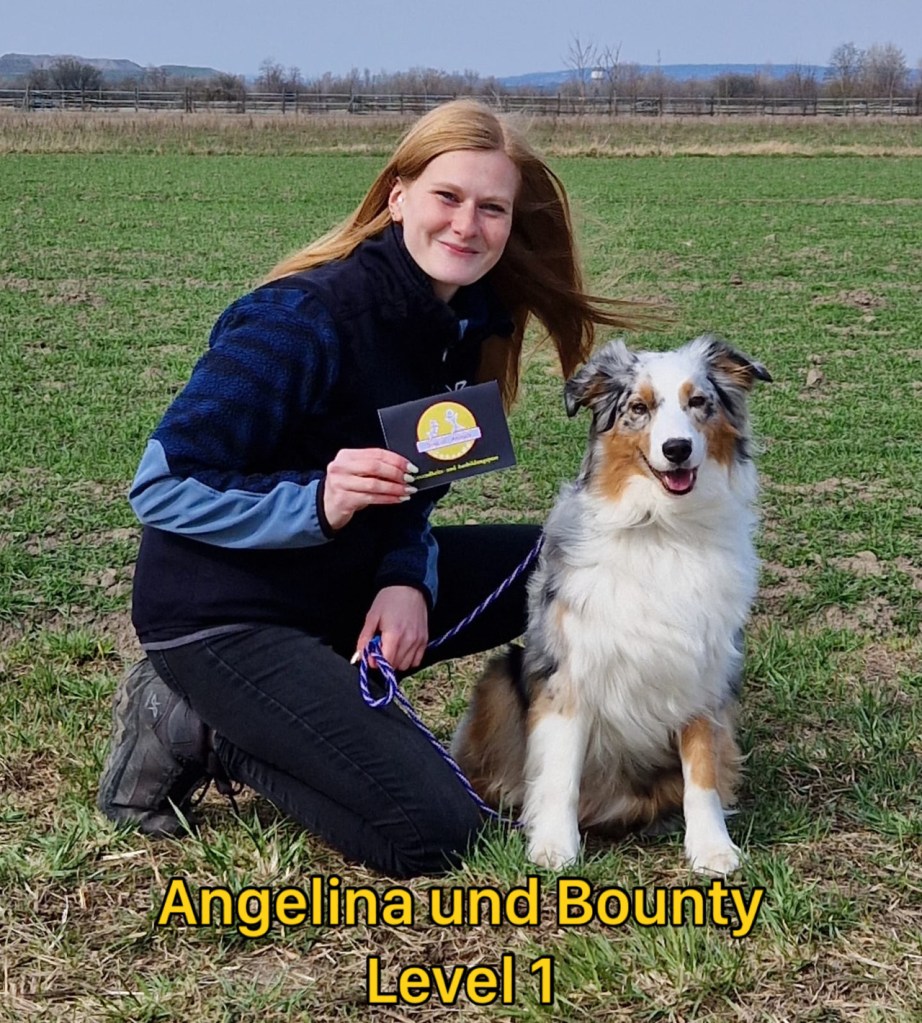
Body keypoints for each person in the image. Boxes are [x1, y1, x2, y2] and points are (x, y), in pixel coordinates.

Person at [97, 99, 648, 878]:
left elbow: (413, 495)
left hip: (337, 582)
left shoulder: (464, 326)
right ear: (398, 197)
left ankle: (610, 743)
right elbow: (161, 483)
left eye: (492, 208)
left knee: (578, 559)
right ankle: (203, 725)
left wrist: (404, 580)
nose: (467, 224)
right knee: (439, 832)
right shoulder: (304, 318)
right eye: (447, 196)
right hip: (220, 612)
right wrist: (316, 498)